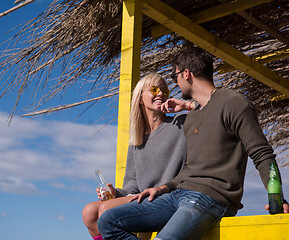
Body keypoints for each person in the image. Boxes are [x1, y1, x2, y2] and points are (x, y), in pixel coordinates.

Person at [97, 47, 289, 240]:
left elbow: (262, 154)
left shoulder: (234, 103)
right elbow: (189, 168)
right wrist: (163, 188)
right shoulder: (193, 115)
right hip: (177, 195)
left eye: (174, 77)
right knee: (108, 221)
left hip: (210, 197)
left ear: (186, 74)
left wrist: (278, 198)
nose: (175, 84)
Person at [82, 73, 190, 240]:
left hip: (169, 196)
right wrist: (114, 192)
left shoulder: (180, 122)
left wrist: (188, 106)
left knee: (107, 211)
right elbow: (132, 185)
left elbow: (208, 114)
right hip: (143, 198)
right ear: (140, 99)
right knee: (89, 212)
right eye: (154, 90)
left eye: (164, 91)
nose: (160, 94)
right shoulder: (137, 139)